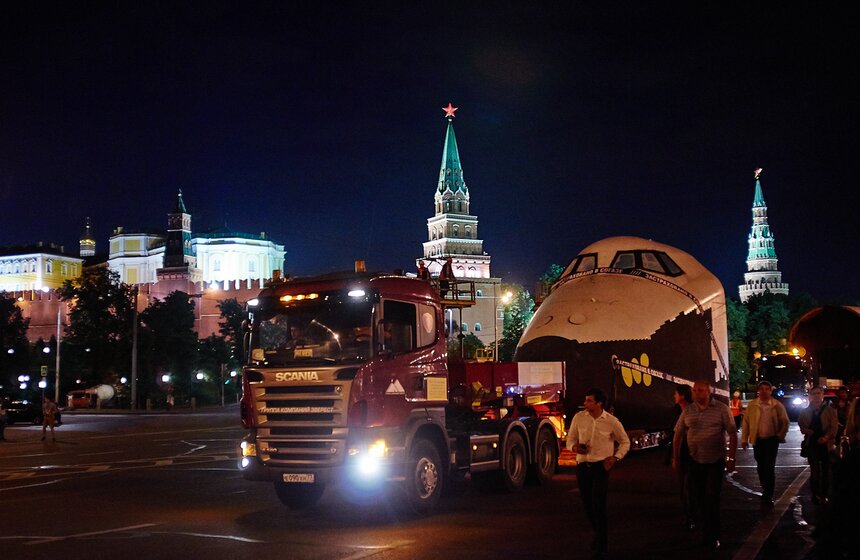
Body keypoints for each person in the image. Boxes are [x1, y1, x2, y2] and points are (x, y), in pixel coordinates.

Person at [673, 380, 737, 550]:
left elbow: (732, 432)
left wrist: (731, 458)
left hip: (715, 460)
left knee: (712, 497)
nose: (696, 393)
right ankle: (705, 531)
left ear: (708, 392)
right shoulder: (688, 410)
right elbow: (678, 434)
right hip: (695, 460)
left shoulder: (721, 409)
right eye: (695, 390)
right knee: (698, 498)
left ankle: (713, 535)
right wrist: (676, 458)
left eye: (700, 390)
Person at [566, 388, 630, 559]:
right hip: (583, 466)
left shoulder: (611, 421)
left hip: (601, 468)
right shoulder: (579, 418)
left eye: (589, 401)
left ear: (599, 403)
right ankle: (598, 534)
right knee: (588, 504)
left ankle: (603, 545)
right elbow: (570, 439)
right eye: (585, 400)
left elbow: (625, 442)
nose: (585, 403)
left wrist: (615, 458)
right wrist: (574, 447)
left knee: (598, 504)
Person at [741, 380, 789, 509]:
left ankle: (768, 492)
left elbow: (785, 421)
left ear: (770, 391)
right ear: (758, 391)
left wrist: (780, 435)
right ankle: (765, 486)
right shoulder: (752, 405)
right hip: (758, 440)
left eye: (766, 389)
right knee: (761, 466)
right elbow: (746, 422)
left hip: (772, 440)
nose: (764, 391)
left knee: (769, 466)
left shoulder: (777, 405)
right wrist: (744, 439)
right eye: (761, 389)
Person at [798, 386, 838, 504]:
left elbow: (834, 427)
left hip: (826, 444)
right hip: (812, 444)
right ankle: (815, 494)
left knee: (826, 470)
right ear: (810, 396)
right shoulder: (805, 411)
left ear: (822, 395)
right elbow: (802, 426)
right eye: (813, 394)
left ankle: (824, 494)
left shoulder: (830, 410)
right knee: (814, 470)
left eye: (818, 393)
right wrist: (806, 430)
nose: (816, 396)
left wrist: (826, 437)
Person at [668, 384, 695, 529]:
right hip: (681, 450)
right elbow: (675, 434)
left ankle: (693, 516)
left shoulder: (691, 410)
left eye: (676, 394)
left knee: (690, 486)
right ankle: (689, 515)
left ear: (683, 396)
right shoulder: (676, 411)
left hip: (691, 450)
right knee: (682, 486)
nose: (674, 396)